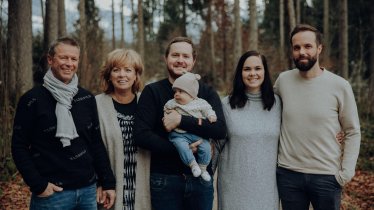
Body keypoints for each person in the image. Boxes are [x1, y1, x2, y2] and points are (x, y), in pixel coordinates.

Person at [11, 37, 116, 210]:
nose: (69, 63)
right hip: (52, 196)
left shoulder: (86, 98)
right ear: (50, 59)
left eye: (73, 59)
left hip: (88, 192)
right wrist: (38, 185)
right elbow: (19, 146)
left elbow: (96, 143)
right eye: (63, 57)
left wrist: (108, 183)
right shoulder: (32, 100)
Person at [274, 24, 361, 210]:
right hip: (289, 175)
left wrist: (345, 173)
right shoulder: (283, 81)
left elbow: (352, 131)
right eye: (296, 47)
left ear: (319, 48)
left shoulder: (340, 85)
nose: (302, 52)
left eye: (307, 46)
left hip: (326, 177)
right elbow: (265, 109)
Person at [134, 36, 227, 210]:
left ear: (193, 61)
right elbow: (140, 135)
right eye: (175, 55)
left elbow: (220, 129)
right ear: (166, 58)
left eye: (186, 56)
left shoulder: (206, 92)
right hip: (165, 180)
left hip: (201, 181)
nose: (180, 60)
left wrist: (181, 120)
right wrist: (177, 149)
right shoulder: (152, 91)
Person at [217, 50, 281, 210]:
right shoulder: (226, 105)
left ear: (265, 71)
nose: (253, 73)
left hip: (267, 188)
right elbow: (215, 146)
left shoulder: (278, 104)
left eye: (258, 68)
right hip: (234, 188)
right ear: (240, 73)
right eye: (247, 69)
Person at [95, 48, 151, 210]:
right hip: (109, 188)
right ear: (108, 74)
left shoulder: (147, 102)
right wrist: (101, 181)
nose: (122, 75)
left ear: (136, 75)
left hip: (144, 187)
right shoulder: (96, 104)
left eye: (128, 70)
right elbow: (91, 147)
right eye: (116, 70)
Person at [164, 72, 217, 182]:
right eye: (175, 91)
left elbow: (208, 109)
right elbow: (166, 110)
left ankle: (203, 168)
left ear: (191, 94)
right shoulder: (173, 103)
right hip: (178, 134)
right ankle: (193, 165)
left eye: (181, 91)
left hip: (197, 134)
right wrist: (167, 116)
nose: (176, 94)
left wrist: (211, 115)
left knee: (206, 147)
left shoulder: (200, 103)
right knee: (181, 146)